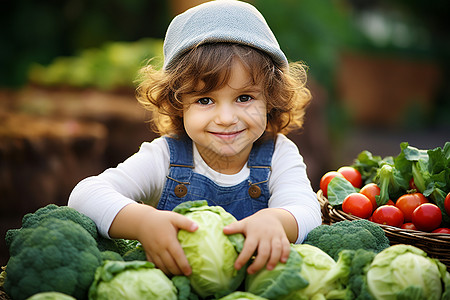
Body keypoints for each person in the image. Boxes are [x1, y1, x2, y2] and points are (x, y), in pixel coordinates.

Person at [68, 0, 322, 277]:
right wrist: (142, 221)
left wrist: (277, 220)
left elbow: (307, 211)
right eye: (205, 100)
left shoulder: (279, 155)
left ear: (271, 99)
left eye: (244, 97)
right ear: (178, 104)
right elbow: (85, 195)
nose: (226, 118)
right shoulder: (164, 157)